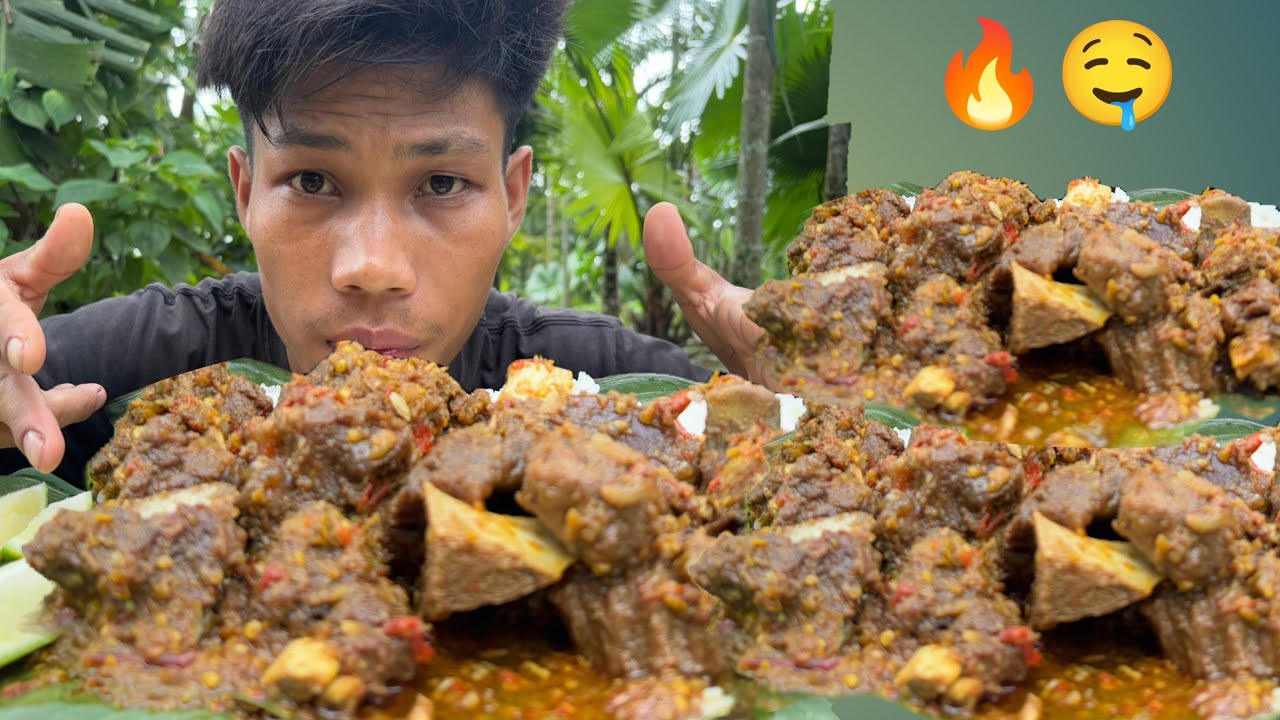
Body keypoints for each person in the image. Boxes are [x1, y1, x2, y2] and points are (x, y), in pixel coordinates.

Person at [0, 0, 765, 483]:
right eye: (311, 182)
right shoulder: (148, 359)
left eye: (440, 184)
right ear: (244, 191)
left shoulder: (606, 388)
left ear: (514, 194)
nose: (372, 268)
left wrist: (824, 403)